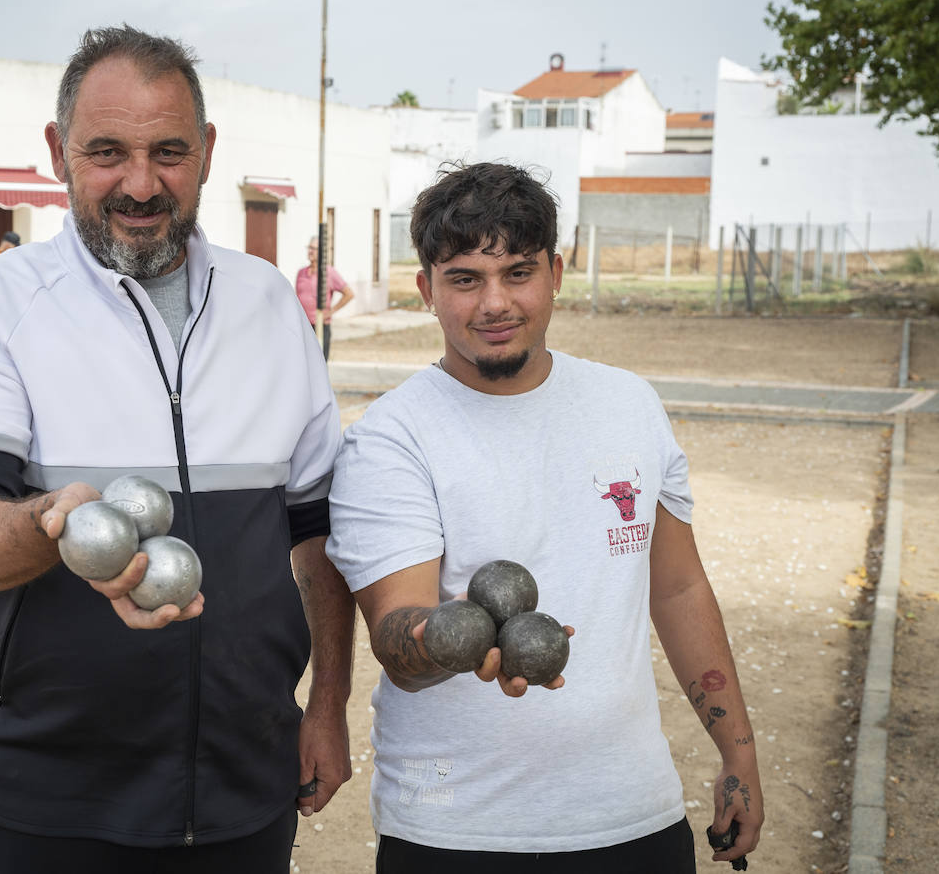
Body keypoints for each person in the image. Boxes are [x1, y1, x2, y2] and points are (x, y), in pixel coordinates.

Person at [0, 25, 354, 872]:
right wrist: (51, 522)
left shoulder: (267, 303)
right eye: (106, 151)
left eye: (169, 151)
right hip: (53, 800)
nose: (140, 184)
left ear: (208, 152)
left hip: (246, 788)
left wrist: (327, 700)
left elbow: (318, 528)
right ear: (57, 150)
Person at [326, 162, 763, 872]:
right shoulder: (391, 437)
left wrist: (737, 752)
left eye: (518, 272)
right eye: (465, 278)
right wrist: (456, 637)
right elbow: (396, 640)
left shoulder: (629, 405)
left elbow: (678, 588)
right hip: (456, 832)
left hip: (631, 815)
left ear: (557, 273)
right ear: (426, 290)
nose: (494, 302)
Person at [294, 235, 354, 360]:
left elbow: (349, 294)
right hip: (303, 327)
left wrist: (331, 311)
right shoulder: (301, 273)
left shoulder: (329, 272)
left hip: (320, 327)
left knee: (319, 364)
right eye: (309, 248)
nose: (310, 251)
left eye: (314, 249)